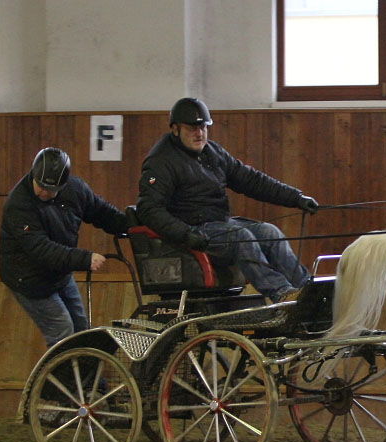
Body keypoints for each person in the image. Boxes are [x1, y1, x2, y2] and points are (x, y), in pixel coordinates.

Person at [136, 97, 319, 303]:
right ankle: (282, 293)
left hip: (219, 225)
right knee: (241, 237)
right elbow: (148, 209)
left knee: (269, 232)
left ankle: (308, 293)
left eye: (203, 127)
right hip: (191, 231)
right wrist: (186, 234)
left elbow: (251, 180)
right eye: (192, 128)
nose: (199, 133)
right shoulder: (160, 161)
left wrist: (296, 197)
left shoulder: (213, 152)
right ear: (175, 129)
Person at [0, 147, 129, 347]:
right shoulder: (18, 205)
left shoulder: (75, 190)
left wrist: (131, 226)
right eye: (39, 185)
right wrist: (84, 259)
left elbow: (101, 212)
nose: (43, 192)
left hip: (59, 273)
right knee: (62, 330)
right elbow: (42, 250)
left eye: (50, 189)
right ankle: (62, 377)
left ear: (63, 185)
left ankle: (85, 377)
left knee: (80, 327)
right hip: (28, 279)